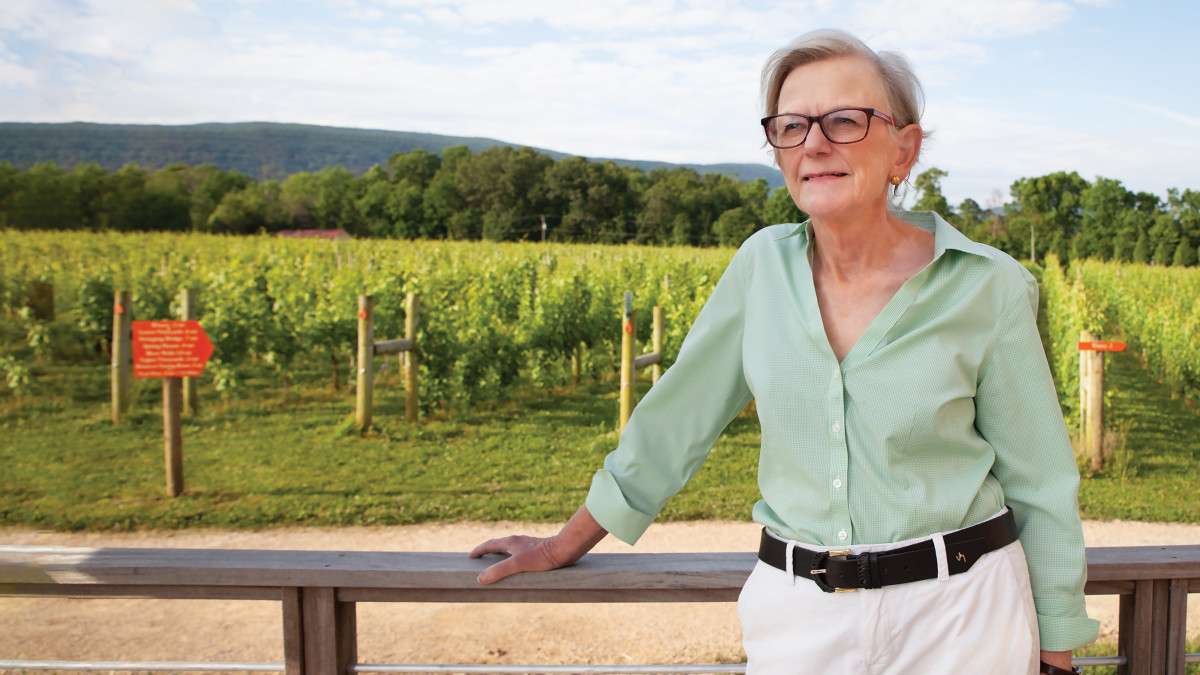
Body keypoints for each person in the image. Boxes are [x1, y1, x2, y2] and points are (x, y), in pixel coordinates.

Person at [470, 28, 1098, 675]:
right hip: (800, 619)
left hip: (964, 618)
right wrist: (565, 541)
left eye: (845, 121)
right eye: (791, 125)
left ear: (903, 150)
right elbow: (674, 422)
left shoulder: (987, 285)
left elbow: (1040, 480)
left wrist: (1055, 650)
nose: (815, 143)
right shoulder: (759, 267)